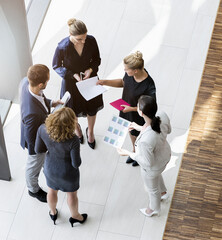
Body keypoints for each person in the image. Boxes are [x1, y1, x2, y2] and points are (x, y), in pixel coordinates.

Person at [97, 51, 156, 166]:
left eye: (126, 69)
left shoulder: (148, 85)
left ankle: (139, 155)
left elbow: (150, 107)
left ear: (136, 70)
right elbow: (123, 82)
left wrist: (132, 109)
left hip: (138, 115)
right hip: (126, 110)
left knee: (138, 135)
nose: (124, 71)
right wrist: (105, 82)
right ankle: (135, 151)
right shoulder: (130, 75)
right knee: (130, 131)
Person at [52, 18, 103, 149]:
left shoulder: (91, 41)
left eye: (84, 37)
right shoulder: (62, 47)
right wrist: (72, 74)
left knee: (92, 107)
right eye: (80, 39)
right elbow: (56, 66)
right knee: (71, 110)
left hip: (89, 79)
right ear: (71, 35)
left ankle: (90, 131)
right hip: (70, 83)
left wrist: (90, 70)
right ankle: (77, 130)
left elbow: (97, 59)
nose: (83, 41)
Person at [117, 95, 171, 217]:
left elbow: (148, 163)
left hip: (153, 167)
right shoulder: (162, 115)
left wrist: (129, 153)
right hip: (164, 155)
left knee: (152, 190)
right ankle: (163, 192)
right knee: (157, 176)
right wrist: (139, 127)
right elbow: (165, 130)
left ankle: (153, 209)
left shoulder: (145, 141)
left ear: (140, 113)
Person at [35, 107, 87, 227]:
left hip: (50, 169)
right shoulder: (73, 139)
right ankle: (75, 217)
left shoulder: (42, 129)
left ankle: (53, 213)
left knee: (51, 191)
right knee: (72, 195)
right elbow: (76, 163)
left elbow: (38, 149)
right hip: (68, 174)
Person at [20, 64, 62, 203]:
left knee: (43, 161)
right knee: (33, 167)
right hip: (36, 145)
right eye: (46, 82)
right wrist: (42, 149)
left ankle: (47, 168)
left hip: (40, 133)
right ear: (40, 84)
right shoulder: (32, 113)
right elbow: (31, 138)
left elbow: (41, 99)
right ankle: (33, 190)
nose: (47, 84)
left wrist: (51, 103)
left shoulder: (27, 82)